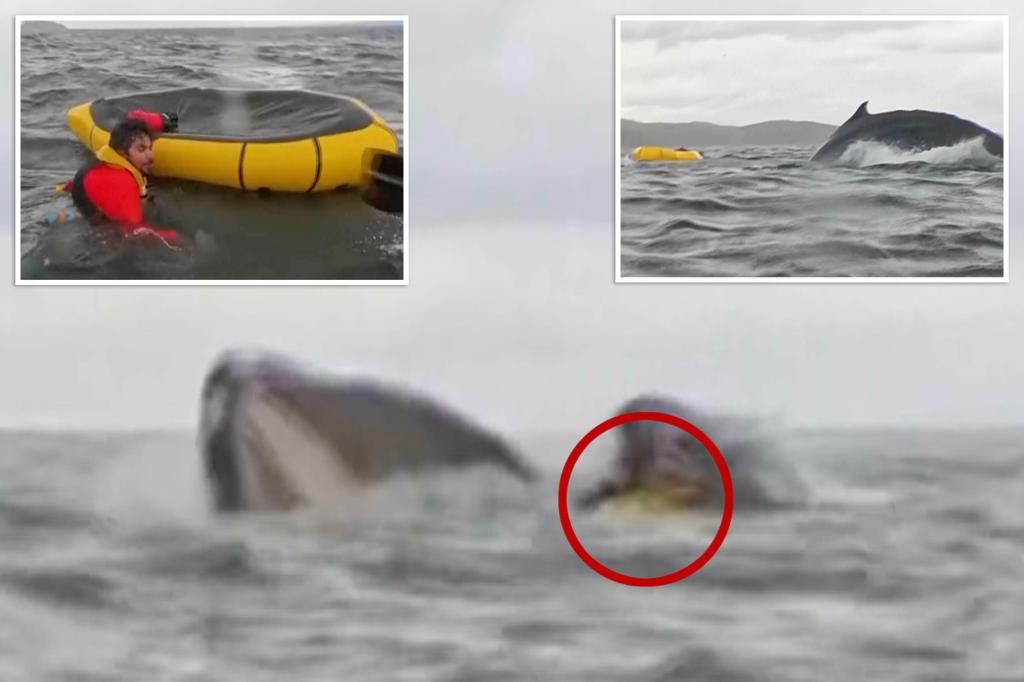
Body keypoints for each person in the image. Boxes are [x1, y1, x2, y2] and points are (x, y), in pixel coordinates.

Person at [67, 114, 181, 248]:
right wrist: (177, 238)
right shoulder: (121, 182)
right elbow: (134, 233)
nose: (151, 156)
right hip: (102, 239)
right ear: (122, 153)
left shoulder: (106, 162)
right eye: (141, 149)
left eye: (150, 148)